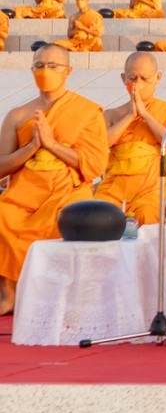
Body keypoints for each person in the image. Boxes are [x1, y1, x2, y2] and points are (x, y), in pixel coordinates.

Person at [0, 45, 110, 314]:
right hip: (25, 191)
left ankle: (50, 295)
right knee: (2, 214)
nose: (44, 71)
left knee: (59, 220)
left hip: (67, 191)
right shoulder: (17, 115)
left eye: (53, 66)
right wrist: (31, 149)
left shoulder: (86, 111)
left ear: (68, 71)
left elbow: (96, 165)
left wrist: (51, 144)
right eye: (39, 65)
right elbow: (1, 166)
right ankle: (8, 293)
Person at [87, 51, 166, 226]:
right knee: (98, 215)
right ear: (123, 79)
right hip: (115, 186)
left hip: (152, 188)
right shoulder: (112, 114)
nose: (138, 84)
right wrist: (129, 115)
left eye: (145, 78)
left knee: (147, 215)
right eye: (132, 78)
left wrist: (146, 115)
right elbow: (101, 145)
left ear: (158, 78)